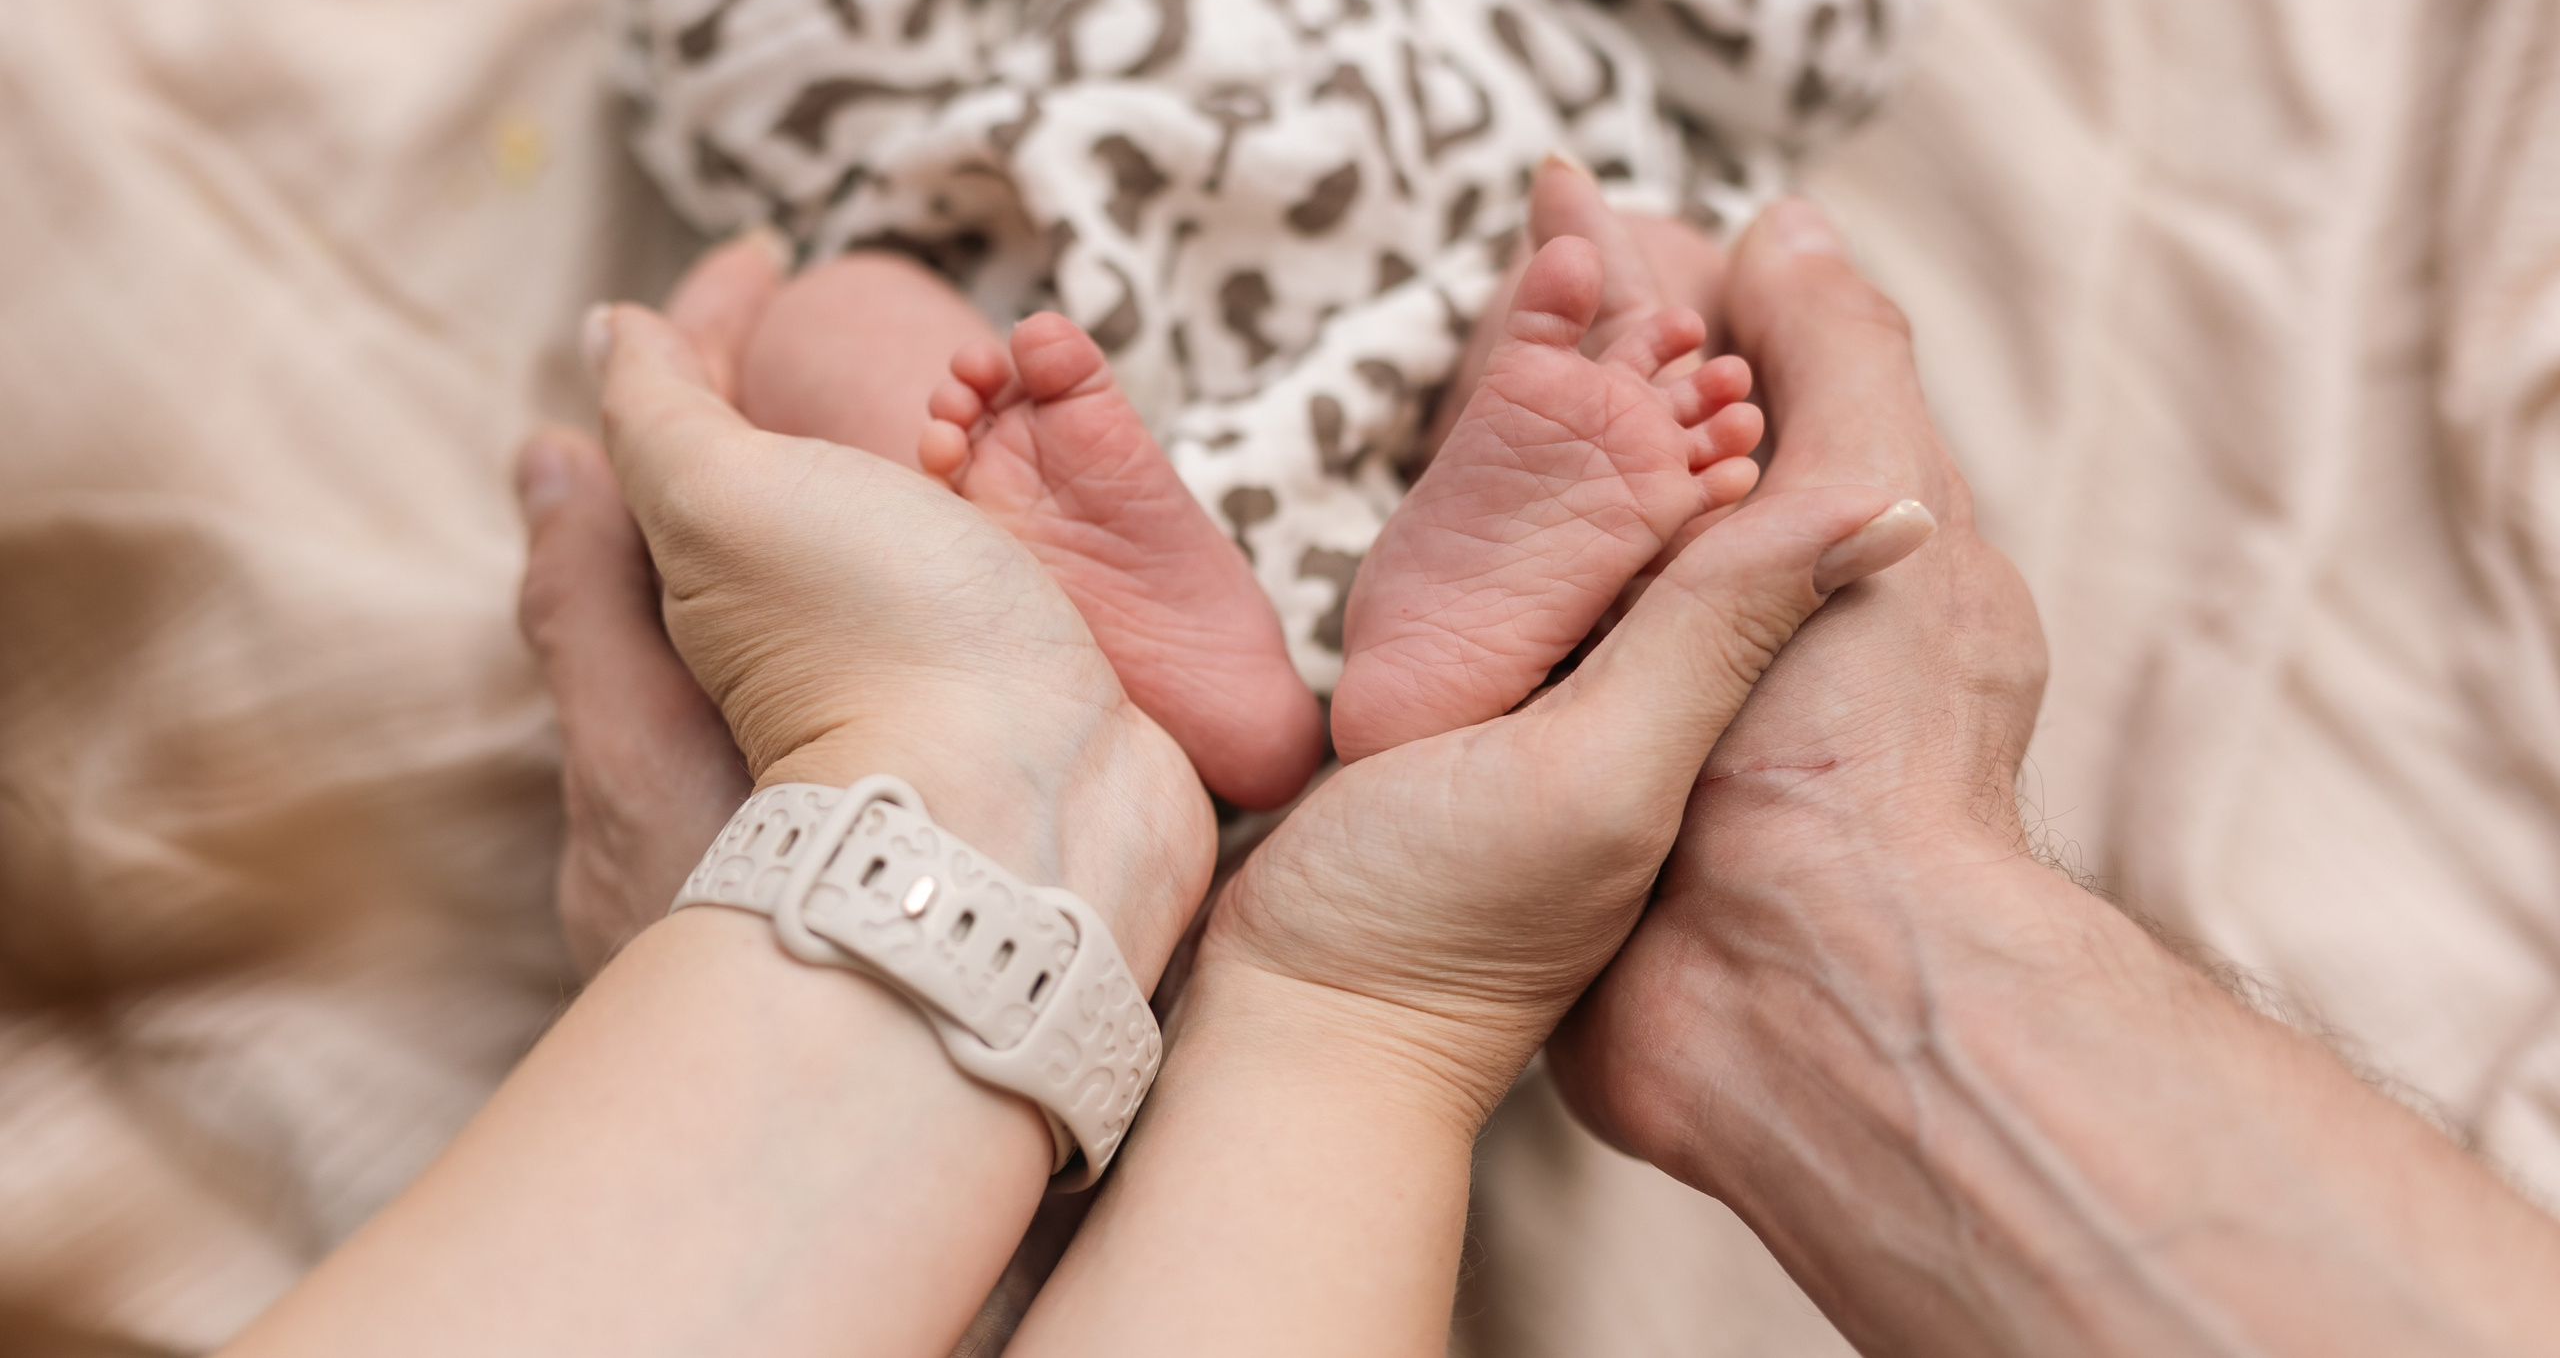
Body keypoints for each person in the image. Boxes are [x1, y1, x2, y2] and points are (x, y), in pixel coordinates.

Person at [506, 199, 2560, 1355]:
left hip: (1075, 522)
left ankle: (1367, 550)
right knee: (877, 310)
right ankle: (1431, 576)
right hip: (1175, 347)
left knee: (843, 328)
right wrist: (1358, 1014)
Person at [215, 193, 1928, 1355]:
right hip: (1145, 380)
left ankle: (1445, 519)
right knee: (862, 311)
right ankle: (1459, 598)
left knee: (1624, 257)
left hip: (1133, 424)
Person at [594, 0, 1929, 803]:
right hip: (1046, 261)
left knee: (1643, 282)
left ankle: (1501, 535)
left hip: (1488, 228)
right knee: (832, 320)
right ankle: (1085, 593)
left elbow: (1807, 19)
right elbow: (753, 78)